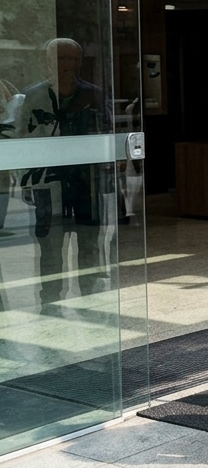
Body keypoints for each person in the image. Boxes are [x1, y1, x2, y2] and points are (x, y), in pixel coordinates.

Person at [16, 38, 114, 315]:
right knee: (49, 245)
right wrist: (26, 180)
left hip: (86, 181)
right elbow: (23, 138)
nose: (68, 65)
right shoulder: (33, 96)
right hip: (47, 182)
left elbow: (105, 132)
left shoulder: (92, 94)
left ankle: (90, 301)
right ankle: (50, 301)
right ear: (49, 61)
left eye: (73, 59)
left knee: (90, 242)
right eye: (61, 59)